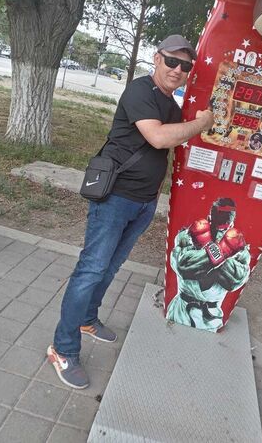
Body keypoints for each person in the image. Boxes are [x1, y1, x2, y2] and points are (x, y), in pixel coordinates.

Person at [47, 35, 214, 389]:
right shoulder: (140, 91)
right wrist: (202, 124)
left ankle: (87, 319)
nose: (178, 70)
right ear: (157, 59)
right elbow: (158, 138)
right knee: (91, 269)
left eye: (186, 66)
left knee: (110, 266)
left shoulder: (170, 102)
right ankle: (62, 349)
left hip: (144, 201)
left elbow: (171, 139)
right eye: (172, 61)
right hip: (115, 198)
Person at [166, 198, 251, 332]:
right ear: (209, 217)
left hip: (211, 317)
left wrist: (217, 250)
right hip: (180, 310)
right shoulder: (188, 235)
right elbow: (182, 266)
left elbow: (235, 281)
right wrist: (219, 251)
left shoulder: (239, 248)